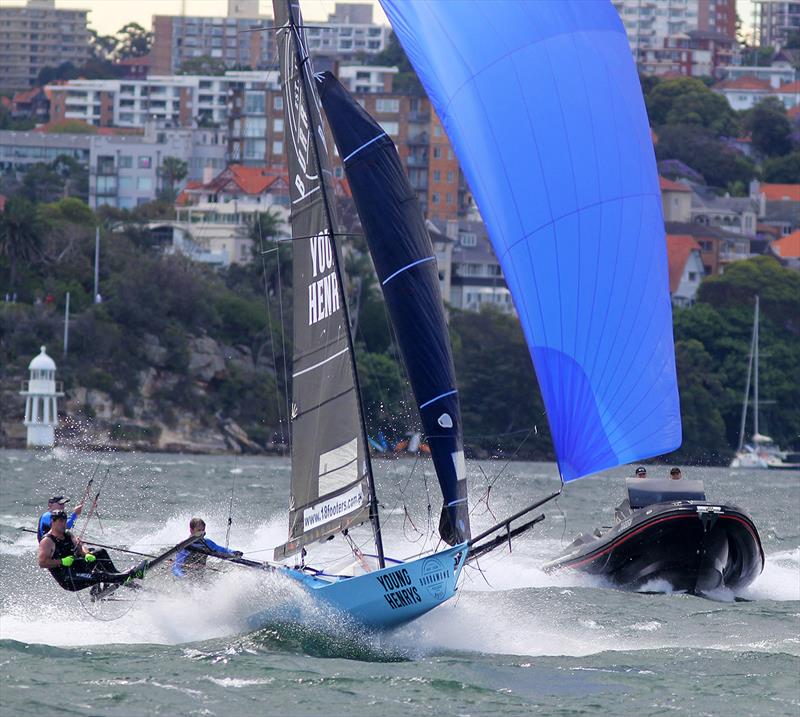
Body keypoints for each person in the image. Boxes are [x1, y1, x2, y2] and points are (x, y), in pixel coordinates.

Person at [38, 510, 143, 593]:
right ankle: (128, 575)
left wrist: (87, 553)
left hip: (77, 567)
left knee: (100, 552)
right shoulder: (47, 541)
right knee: (99, 576)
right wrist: (62, 561)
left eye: (64, 521)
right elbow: (42, 563)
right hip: (69, 578)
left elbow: (80, 546)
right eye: (60, 521)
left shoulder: (67, 534)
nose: (63, 524)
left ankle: (117, 575)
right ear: (52, 522)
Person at [172, 517, 243, 579]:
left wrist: (233, 552)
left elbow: (221, 549)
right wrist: (182, 576)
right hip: (185, 576)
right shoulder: (184, 545)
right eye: (199, 530)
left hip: (200, 576)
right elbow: (176, 567)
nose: (202, 533)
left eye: (203, 530)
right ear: (191, 530)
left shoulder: (207, 543)